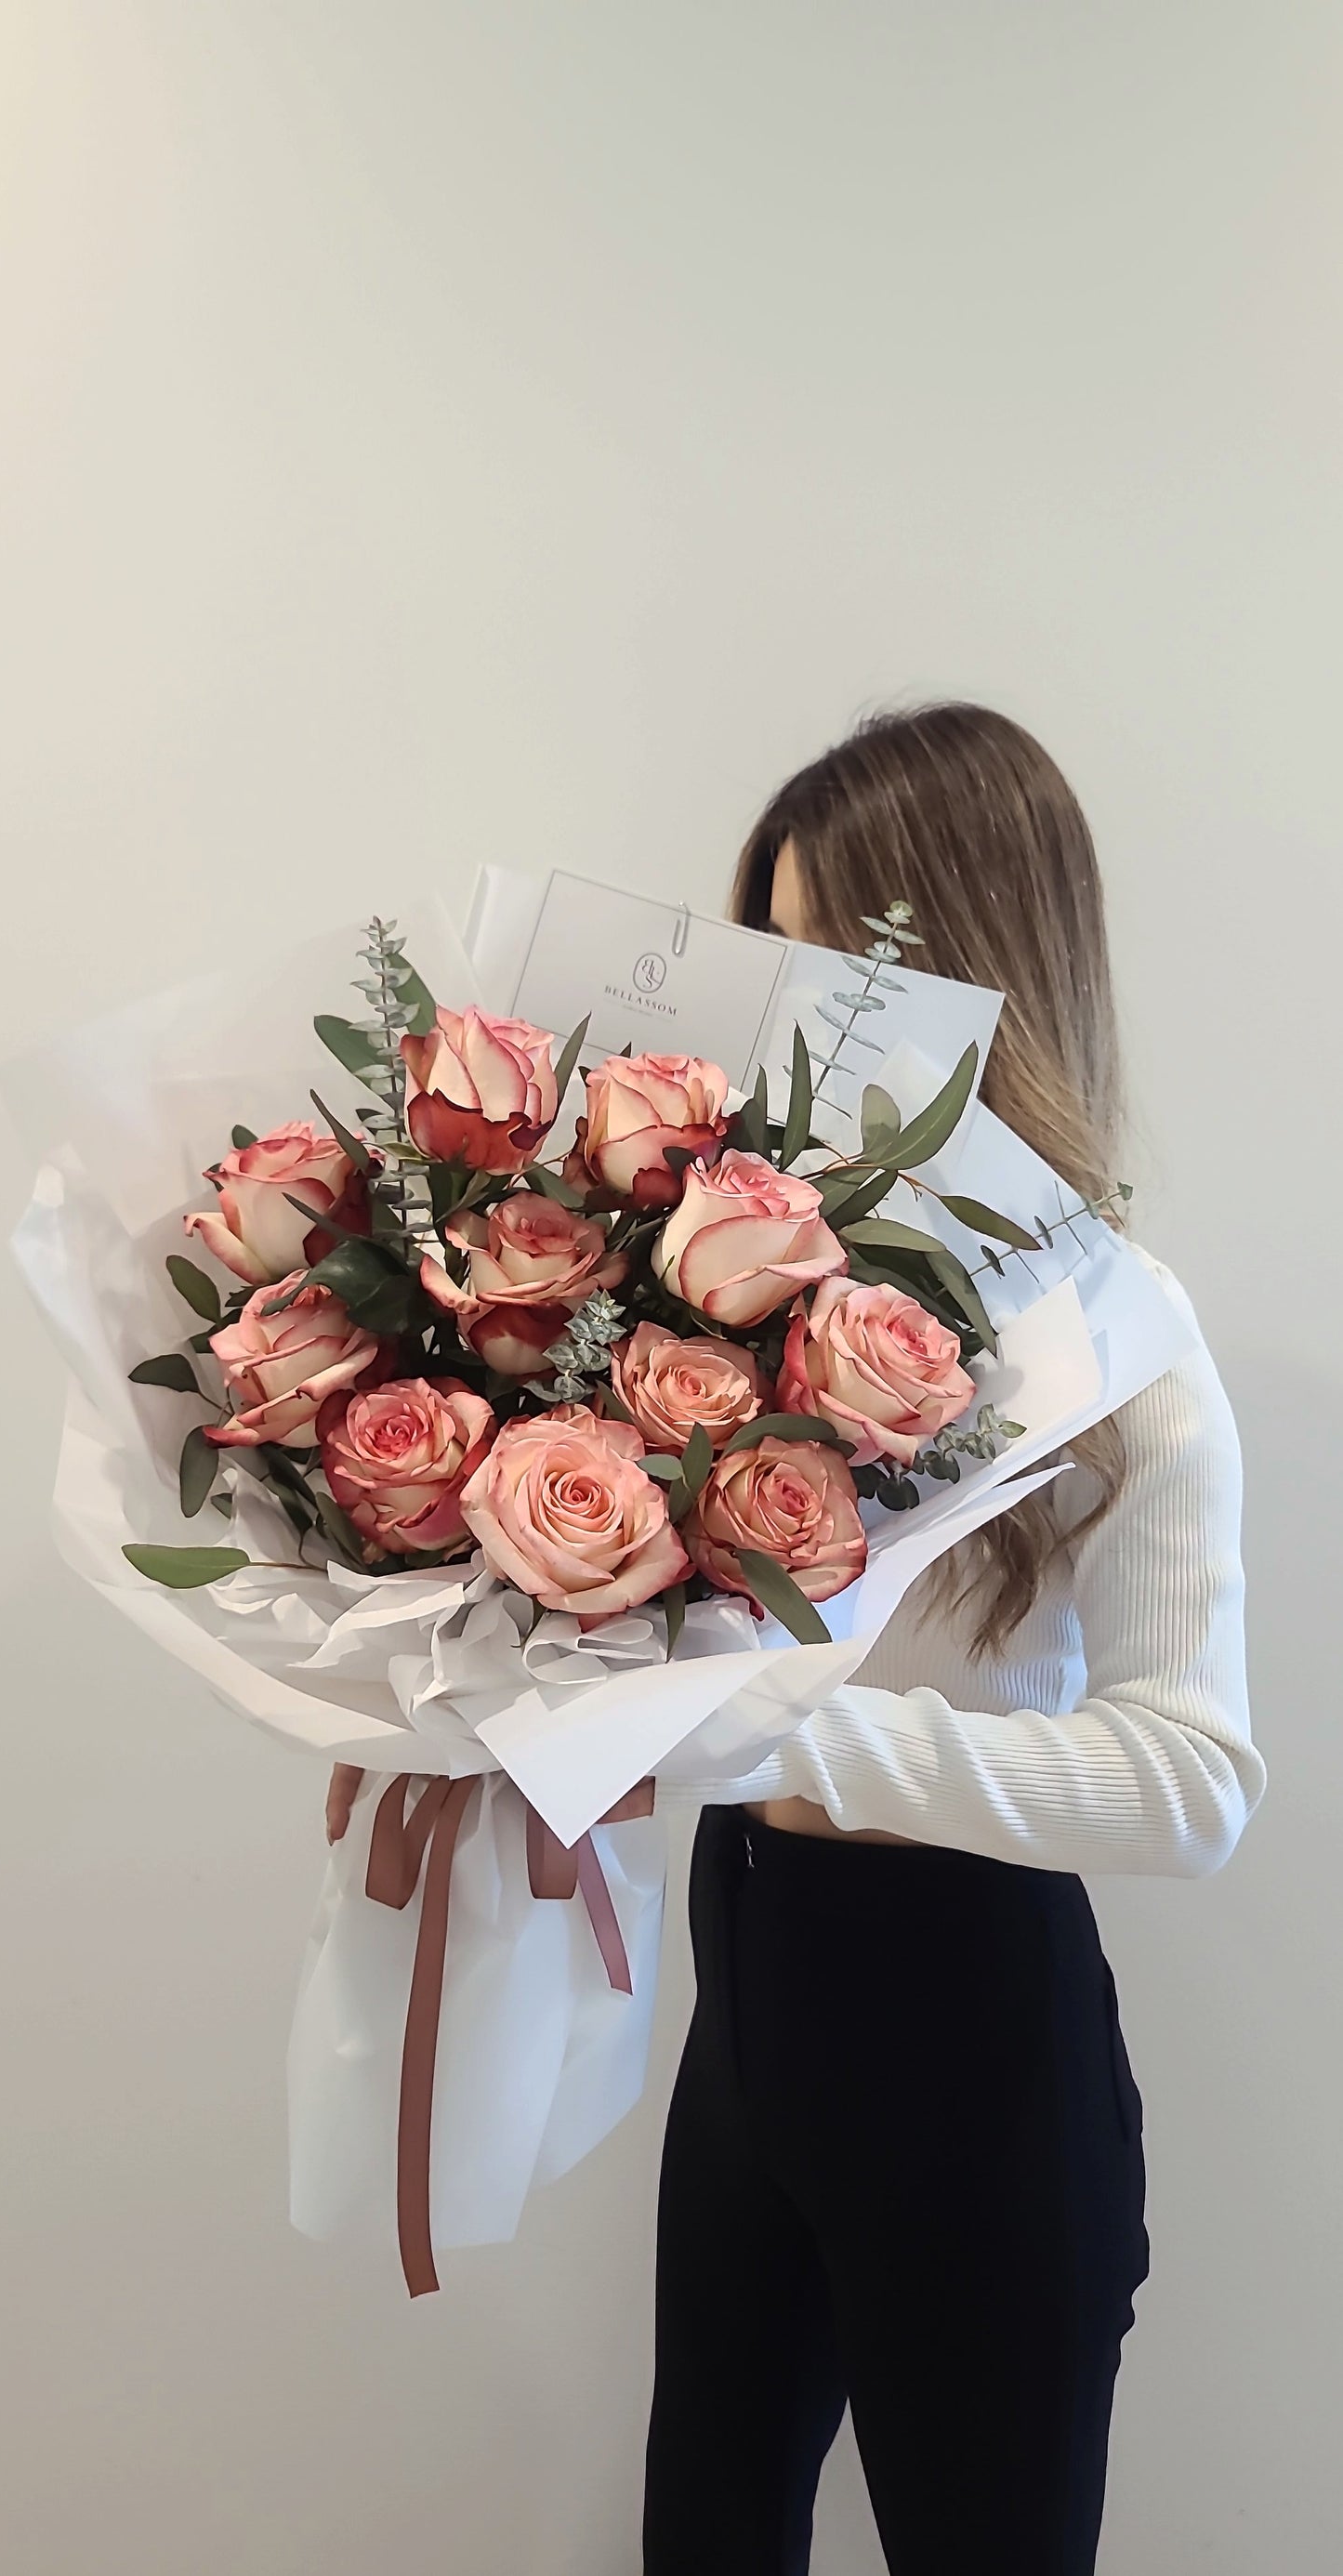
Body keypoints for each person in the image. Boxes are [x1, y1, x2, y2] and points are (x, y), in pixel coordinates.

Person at [639, 703, 1266, 2575]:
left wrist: (786, 1745)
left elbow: (1195, 1777)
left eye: (847, 968)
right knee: (705, 2536)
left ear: (980, 969)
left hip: (971, 2046)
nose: (799, 1029)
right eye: (777, 963)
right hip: (752, 1994)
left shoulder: (1115, 1330)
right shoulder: (733, 1276)